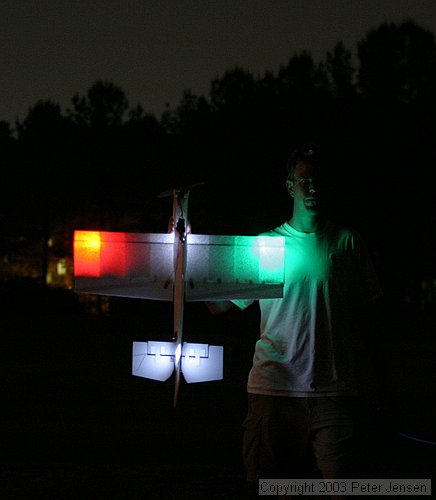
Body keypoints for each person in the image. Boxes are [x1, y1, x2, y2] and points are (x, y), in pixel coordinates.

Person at [206, 144, 383, 497]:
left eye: (318, 181)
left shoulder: (347, 242)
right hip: (274, 389)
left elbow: (369, 316)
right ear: (290, 187)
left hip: (333, 389)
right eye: (304, 181)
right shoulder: (267, 246)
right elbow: (220, 306)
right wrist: (189, 261)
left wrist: (376, 381)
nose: (312, 188)